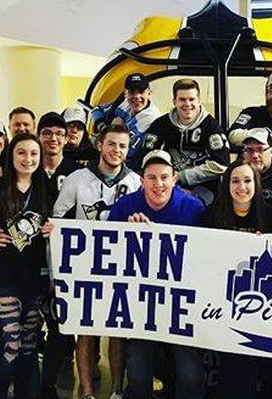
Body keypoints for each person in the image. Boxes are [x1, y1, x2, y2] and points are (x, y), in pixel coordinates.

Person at [108, 149, 206, 399]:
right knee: (138, 368)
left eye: (164, 177)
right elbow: (104, 250)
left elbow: (208, 254)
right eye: (151, 178)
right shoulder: (124, 207)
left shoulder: (194, 208)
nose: (158, 184)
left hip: (181, 304)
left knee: (190, 370)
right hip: (141, 304)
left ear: (175, 178)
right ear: (142, 180)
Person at [53, 124, 141, 399]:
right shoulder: (77, 178)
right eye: (112, 144)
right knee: (86, 331)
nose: (116, 150)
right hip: (84, 265)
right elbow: (57, 218)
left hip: (120, 267)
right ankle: (88, 392)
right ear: (100, 145)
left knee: (117, 331)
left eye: (122, 146)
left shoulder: (136, 182)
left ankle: (116, 390)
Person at [0, 133, 54, 399]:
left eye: (33, 154)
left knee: (29, 346)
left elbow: (63, 228)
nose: (28, 159)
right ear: (11, 155)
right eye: (21, 153)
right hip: (3, 276)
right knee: (10, 345)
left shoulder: (48, 188)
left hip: (36, 279)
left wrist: (57, 228)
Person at [203, 159, 272, 399]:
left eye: (247, 180)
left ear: (256, 184)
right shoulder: (211, 216)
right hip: (227, 310)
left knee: (271, 374)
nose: (242, 186)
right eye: (235, 181)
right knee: (235, 374)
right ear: (226, 185)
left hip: (266, 310)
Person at [141, 78, 230, 204]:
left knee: (192, 205)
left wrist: (183, 176)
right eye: (182, 99)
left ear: (198, 101)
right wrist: (168, 179)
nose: (187, 104)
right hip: (165, 185)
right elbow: (145, 157)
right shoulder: (160, 125)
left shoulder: (211, 127)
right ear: (174, 101)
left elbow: (221, 165)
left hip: (204, 188)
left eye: (191, 99)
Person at [90, 73, 163, 170]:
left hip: (132, 169)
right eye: (132, 92)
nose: (137, 96)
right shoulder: (124, 103)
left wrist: (114, 130)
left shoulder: (152, 120)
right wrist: (103, 127)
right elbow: (96, 110)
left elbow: (126, 153)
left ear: (149, 93)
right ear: (125, 93)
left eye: (141, 91)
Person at [240, 128, 272, 209]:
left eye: (260, 149)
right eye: (249, 150)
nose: (254, 155)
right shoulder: (235, 180)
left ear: (271, 151)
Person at [62, 105, 100, 170]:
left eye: (80, 128)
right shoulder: (53, 153)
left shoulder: (94, 157)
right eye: (71, 126)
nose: (74, 130)